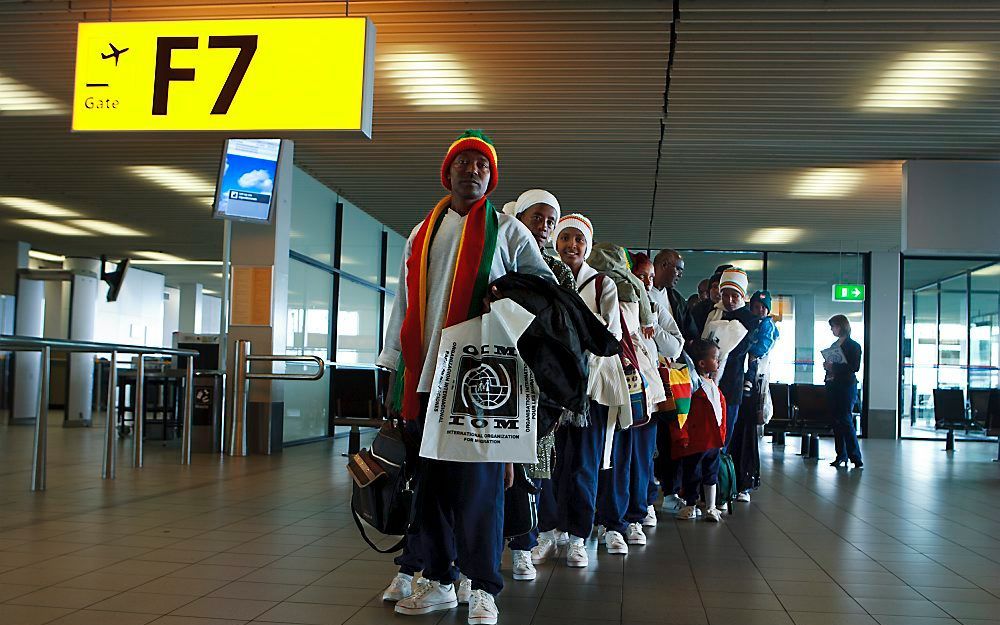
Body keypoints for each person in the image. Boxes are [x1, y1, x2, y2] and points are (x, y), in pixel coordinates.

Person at [377, 130, 554, 625]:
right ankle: (438, 580)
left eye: (481, 165)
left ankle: (483, 587)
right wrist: (391, 362)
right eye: (464, 163)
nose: (473, 171)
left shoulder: (508, 231)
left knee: (480, 489)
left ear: (491, 177)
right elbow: (404, 304)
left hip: (483, 380)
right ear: (448, 172)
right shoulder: (422, 232)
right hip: (426, 378)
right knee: (430, 487)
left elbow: (544, 290)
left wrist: (503, 295)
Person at [501, 189, 571, 582]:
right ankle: (486, 547)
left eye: (550, 220)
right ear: (519, 219)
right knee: (493, 469)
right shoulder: (503, 259)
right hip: (497, 375)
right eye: (537, 218)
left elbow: (564, 327)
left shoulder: (557, 272)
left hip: (537, 385)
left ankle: (524, 547)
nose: (543, 226)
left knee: (532, 470)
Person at [546, 213, 621, 567]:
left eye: (578, 240)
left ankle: (579, 535)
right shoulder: (548, 278)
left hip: (589, 389)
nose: (570, 246)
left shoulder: (602, 284)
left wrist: (576, 348)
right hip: (551, 388)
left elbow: (612, 334)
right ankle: (552, 530)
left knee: (584, 464)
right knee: (552, 463)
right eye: (565, 239)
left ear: (587, 246)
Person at [630, 253, 683, 528]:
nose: (647, 283)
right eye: (641, 277)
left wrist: (651, 326)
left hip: (651, 391)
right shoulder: (618, 302)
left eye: (650, 278)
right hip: (623, 388)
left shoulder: (656, 307)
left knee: (646, 451)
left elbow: (675, 346)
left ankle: (645, 503)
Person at [703, 268, 759, 506]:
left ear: (742, 296)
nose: (730, 300)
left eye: (735, 295)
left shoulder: (749, 319)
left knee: (725, 437)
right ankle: (704, 489)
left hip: (732, 386)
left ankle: (722, 490)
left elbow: (738, 350)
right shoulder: (710, 314)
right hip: (707, 385)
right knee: (706, 437)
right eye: (725, 294)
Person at [671, 338, 726, 522]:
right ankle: (691, 504)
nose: (718, 361)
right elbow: (683, 413)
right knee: (692, 473)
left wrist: (722, 436)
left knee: (711, 473)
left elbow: (721, 414)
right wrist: (683, 435)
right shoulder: (693, 387)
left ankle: (710, 506)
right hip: (695, 441)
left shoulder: (714, 387)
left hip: (713, 441)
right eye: (715, 358)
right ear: (702, 363)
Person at [825, 314, 863, 468]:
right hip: (833, 385)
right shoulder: (835, 345)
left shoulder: (854, 346)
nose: (832, 329)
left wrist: (833, 367)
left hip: (846, 386)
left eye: (834, 326)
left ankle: (855, 456)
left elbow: (854, 367)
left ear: (841, 326)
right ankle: (841, 455)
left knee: (845, 420)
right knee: (837, 421)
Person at [652, 249, 699, 343]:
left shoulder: (678, 300)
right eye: (678, 269)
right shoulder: (639, 293)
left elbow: (691, 335)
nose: (680, 275)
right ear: (664, 265)